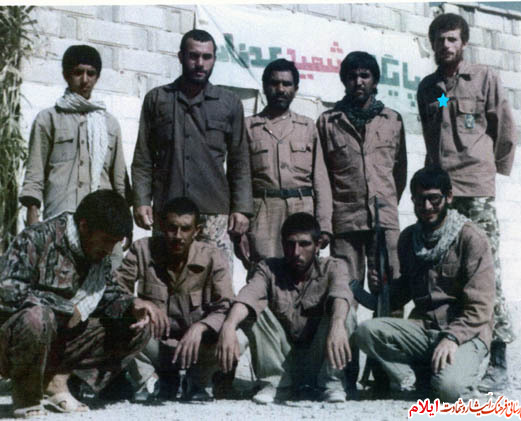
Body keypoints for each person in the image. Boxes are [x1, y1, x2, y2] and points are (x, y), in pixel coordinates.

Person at [416, 13, 517, 392]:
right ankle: (454, 356)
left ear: (463, 43)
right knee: (446, 275)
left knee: (488, 274)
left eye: (452, 39)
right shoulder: (431, 89)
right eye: (440, 39)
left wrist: (489, 171)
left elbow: (504, 129)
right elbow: (433, 130)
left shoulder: (484, 79)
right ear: (432, 44)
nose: (446, 45)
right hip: (442, 194)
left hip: (475, 189)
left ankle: (499, 360)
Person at [0, 190, 154, 418]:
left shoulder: (98, 256)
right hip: (12, 343)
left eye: (115, 243)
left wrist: (133, 304)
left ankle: (56, 381)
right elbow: (7, 293)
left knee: (137, 326)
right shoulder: (37, 238)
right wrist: (63, 309)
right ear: (84, 227)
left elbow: (108, 295)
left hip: (60, 340)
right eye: (106, 241)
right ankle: (27, 396)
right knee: (38, 317)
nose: (109, 250)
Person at [354, 167, 495, 402]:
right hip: (424, 328)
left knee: (449, 390)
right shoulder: (409, 238)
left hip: (465, 332)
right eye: (420, 200)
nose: (427, 207)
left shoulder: (471, 238)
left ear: (449, 197)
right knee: (365, 332)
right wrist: (383, 289)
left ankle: (454, 376)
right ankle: (412, 376)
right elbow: (406, 290)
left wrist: (452, 338)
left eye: (434, 199)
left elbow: (480, 307)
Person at [316, 50, 407, 391]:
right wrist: (326, 222)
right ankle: (346, 374)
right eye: (352, 76)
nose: (359, 81)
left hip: (385, 222)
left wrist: (386, 205)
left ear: (375, 80)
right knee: (345, 296)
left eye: (365, 75)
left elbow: (399, 173)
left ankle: (387, 373)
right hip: (346, 222)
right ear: (344, 80)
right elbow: (322, 176)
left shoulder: (393, 120)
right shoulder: (328, 122)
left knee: (390, 296)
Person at [131, 29, 252, 273]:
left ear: (214, 59)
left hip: (213, 213)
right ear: (181, 57)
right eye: (193, 56)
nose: (200, 64)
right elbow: (143, 157)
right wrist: (141, 201)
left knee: (215, 279)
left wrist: (241, 208)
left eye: (207, 57)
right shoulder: (158, 99)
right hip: (168, 211)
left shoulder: (229, 103)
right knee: (164, 278)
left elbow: (239, 160)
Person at [217, 213, 355, 404]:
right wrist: (229, 325)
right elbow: (248, 296)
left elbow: (341, 293)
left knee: (344, 310)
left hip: (319, 359)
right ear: (282, 244)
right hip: (284, 363)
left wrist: (337, 324)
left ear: (317, 246)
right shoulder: (268, 269)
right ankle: (275, 384)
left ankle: (331, 384)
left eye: (304, 244)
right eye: (290, 244)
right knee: (255, 310)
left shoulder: (334, 267)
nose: (296, 252)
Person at [116, 197, 244, 401]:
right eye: (172, 228)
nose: (178, 236)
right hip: (157, 345)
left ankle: (197, 381)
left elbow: (225, 306)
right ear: (161, 226)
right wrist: (138, 303)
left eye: (185, 229)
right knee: (119, 321)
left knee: (238, 336)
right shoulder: (141, 250)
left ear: (197, 231)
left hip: (196, 347)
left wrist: (201, 327)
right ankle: (151, 380)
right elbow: (116, 290)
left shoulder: (213, 257)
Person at [19, 45, 129, 267]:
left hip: (103, 222)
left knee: (105, 280)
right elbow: (35, 174)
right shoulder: (48, 119)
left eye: (91, 73)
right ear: (66, 75)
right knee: (58, 276)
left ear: (97, 77)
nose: (85, 80)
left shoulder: (109, 124)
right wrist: (33, 222)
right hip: (61, 217)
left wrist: (126, 223)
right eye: (78, 72)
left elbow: (119, 180)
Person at [237, 59, 332, 267]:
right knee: (263, 270)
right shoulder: (248, 127)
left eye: (287, 84)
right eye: (274, 83)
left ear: (295, 89)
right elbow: (239, 180)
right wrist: (240, 230)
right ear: (264, 86)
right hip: (263, 213)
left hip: (302, 209)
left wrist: (324, 225)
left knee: (303, 272)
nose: (280, 89)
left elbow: (321, 180)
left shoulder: (308, 127)